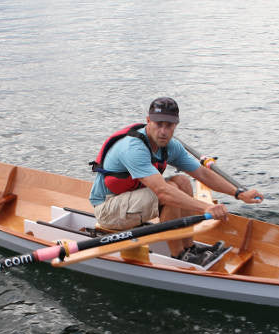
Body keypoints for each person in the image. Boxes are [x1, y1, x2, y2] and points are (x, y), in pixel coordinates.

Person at [89, 97, 263, 259]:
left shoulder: (171, 146)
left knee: (182, 181)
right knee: (169, 192)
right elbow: (163, 193)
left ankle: (189, 248)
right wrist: (207, 208)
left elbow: (202, 173)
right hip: (107, 209)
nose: (163, 132)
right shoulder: (133, 148)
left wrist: (238, 193)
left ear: (176, 125)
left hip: (132, 199)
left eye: (169, 125)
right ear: (148, 121)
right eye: (159, 124)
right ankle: (179, 255)